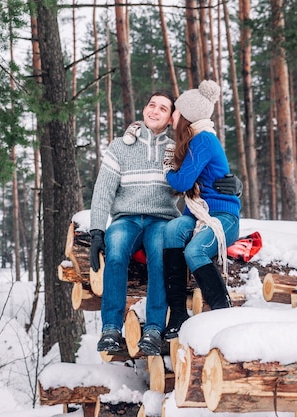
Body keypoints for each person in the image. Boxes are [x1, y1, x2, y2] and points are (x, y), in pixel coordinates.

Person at [90, 91, 242, 356]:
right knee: (115, 251)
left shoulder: (178, 147)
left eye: (164, 108)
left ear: (173, 116)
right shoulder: (120, 146)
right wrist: (96, 230)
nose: (155, 111)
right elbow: (103, 190)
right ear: (144, 109)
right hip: (125, 218)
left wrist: (236, 184)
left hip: (162, 218)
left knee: (160, 256)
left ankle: (153, 329)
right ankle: (111, 329)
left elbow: (205, 172)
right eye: (151, 105)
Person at [162, 80, 241, 340]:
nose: (173, 114)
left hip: (223, 216)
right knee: (172, 229)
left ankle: (223, 310)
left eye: (175, 110)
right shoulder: (193, 139)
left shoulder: (204, 140)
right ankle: (177, 314)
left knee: (195, 250)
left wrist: (168, 171)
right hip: (198, 213)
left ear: (186, 115)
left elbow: (183, 182)